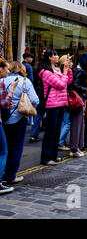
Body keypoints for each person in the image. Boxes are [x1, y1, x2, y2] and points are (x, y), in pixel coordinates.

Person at [2, 62, 39, 184]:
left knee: (3, 149)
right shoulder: (25, 81)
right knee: (15, 148)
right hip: (19, 118)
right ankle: (10, 175)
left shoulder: (2, 80)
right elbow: (35, 100)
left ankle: (1, 173)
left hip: (3, 119)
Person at [39, 49, 73, 165]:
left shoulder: (57, 70)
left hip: (61, 104)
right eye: (55, 55)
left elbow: (68, 81)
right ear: (49, 57)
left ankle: (53, 156)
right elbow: (60, 84)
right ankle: (46, 158)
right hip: (52, 104)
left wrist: (67, 69)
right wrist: (64, 73)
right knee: (50, 132)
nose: (57, 56)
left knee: (56, 131)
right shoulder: (46, 72)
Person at [0, 58, 19, 194]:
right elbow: (4, 104)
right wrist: (12, 89)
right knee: (3, 151)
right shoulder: (1, 83)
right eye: (6, 68)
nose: (8, 70)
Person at [69, 53, 87, 157]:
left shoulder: (79, 70)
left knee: (79, 123)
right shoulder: (81, 71)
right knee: (77, 124)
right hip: (78, 99)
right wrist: (85, 90)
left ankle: (77, 146)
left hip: (79, 98)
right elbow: (75, 85)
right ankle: (75, 148)